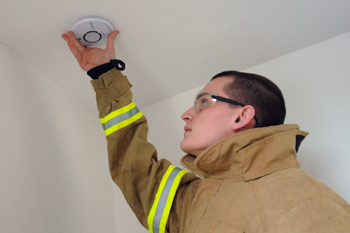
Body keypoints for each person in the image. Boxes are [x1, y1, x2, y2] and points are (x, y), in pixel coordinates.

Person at [62, 30, 350, 233]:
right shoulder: (192, 198)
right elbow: (133, 168)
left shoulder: (304, 200)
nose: (187, 114)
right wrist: (105, 76)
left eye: (203, 102)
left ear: (242, 115)